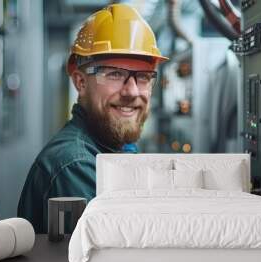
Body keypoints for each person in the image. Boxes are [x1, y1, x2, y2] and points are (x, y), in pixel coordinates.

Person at [17, 4, 168, 233]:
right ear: (81, 82)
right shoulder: (74, 165)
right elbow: (116, 259)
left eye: (144, 77)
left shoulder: (118, 148)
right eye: (115, 74)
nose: (132, 91)